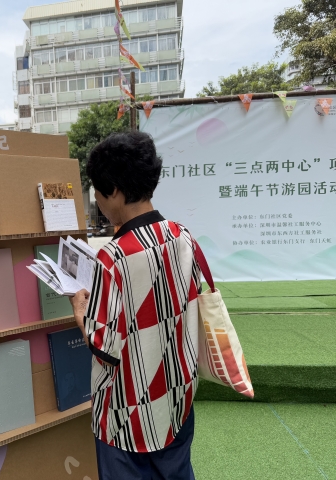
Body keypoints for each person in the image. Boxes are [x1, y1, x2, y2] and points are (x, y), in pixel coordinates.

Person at [70, 131, 201, 480]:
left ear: (113, 191)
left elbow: (104, 345)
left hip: (126, 412)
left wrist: (80, 312)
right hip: (176, 396)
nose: (98, 201)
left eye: (98, 193)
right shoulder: (182, 236)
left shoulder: (112, 258)